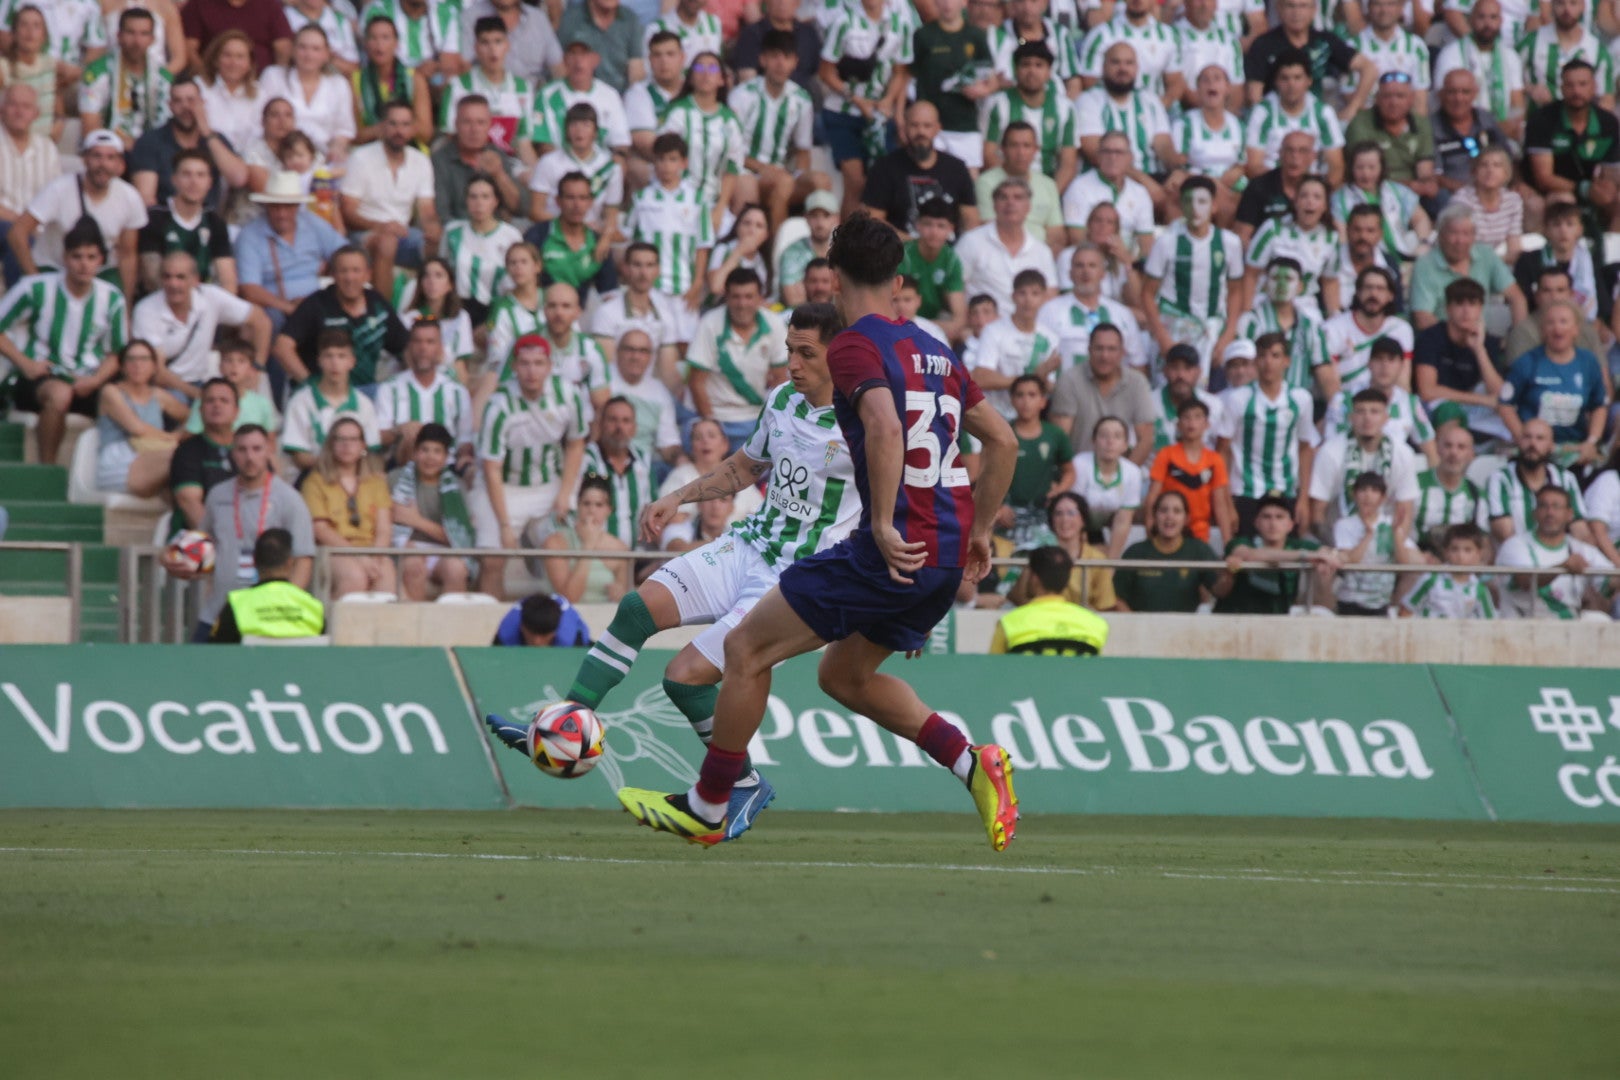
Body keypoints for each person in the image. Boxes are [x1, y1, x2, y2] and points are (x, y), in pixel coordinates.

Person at [611, 210, 1021, 851]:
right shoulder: (937, 351)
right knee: (844, 677)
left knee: (746, 651)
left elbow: (885, 428)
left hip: (888, 548)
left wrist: (883, 525)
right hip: (939, 555)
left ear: (832, 277)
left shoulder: (856, 343)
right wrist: (979, 532)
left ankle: (710, 804)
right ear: (897, 276)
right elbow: (1003, 440)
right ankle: (974, 762)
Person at [506, 305, 861, 834]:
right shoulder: (783, 400)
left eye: (806, 353)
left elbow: (897, 507)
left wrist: (904, 597)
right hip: (749, 545)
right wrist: (678, 497)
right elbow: (746, 466)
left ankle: (739, 783)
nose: (793, 363)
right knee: (636, 608)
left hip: (795, 579)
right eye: (789, 350)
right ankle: (563, 722)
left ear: (839, 354)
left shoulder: (865, 420)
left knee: (684, 680)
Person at [164, 424, 314, 642]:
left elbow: (303, 559)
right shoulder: (218, 495)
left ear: (269, 450)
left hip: (265, 619)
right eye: (242, 450)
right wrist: (172, 558)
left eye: (256, 449)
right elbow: (203, 545)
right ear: (233, 453)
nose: (249, 457)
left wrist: (285, 607)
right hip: (217, 612)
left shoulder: (289, 500)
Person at [0, 220, 125, 464]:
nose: (84, 264)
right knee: (60, 394)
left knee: (120, 396)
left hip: (86, 378)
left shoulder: (112, 298)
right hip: (39, 377)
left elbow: (116, 353)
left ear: (101, 260)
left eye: (91, 257)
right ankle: (48, 469)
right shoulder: (35, 289)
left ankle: (112, 471)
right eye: (77, 256)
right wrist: (25, 363)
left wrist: (96, 380)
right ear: (65, 257)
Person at [471, 334, 587, 596]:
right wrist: (504, 525)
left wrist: (565, 494)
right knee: (493, 560)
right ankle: (491, 628)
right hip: (504, 487)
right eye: (524, 363)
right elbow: (491, 468)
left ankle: (565, 621)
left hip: (548, 484)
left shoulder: (568, 395)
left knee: (559, 547)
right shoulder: (499, 405)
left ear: (549, 365)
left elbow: (576, 444)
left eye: (538, 363)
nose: (531, 371)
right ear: (514, 366)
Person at [9, 130, 145, 298]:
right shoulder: (58, 189)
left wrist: (127, 305)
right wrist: (35, 278)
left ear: (120, 165)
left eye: (111, 158)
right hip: (54, 268)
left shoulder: (130, 197)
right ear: (85, 159)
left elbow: (127, 254)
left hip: (99, 271)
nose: (103, 164)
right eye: (96, 156)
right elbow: (17, 233)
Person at [1217, 331, 1321, 534]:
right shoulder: (1238, 399)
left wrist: (1303, 500)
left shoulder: (1300, 399)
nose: (1268, 362)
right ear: (1255, 361)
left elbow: (1305, 448)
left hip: (1285, 491)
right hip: (1245, 492)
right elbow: (1222, 451)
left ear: (1287, 361)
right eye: (1262, 356)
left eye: (1275, 356)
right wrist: (1227, 503)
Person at [820, 0, 914, 220]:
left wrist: (888, 100)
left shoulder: (901, 24)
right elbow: (826, 71)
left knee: (880, 182)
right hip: (844, 111)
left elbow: (901, 71)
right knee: (854, 181)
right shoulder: (844, 22)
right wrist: (855, 98)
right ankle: (845, 244)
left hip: (879, 113)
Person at [1141, 176, 1243, 380]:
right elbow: (1147, 295)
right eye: (1188, 201)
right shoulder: (1166, 243)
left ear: (1214, 206)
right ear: (1181, 206)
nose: (1195, 208)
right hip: (1174, 324)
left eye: (1202, 202)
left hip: (1212, 327)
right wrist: (1162, 338)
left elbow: (1235, 291)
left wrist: (1228, 334)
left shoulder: (1229, 243)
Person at [275, 245, 410, 393]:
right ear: (333, 275)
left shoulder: (377, 304)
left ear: (368, 275)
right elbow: (282, 346)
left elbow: (405, 348)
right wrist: (310, 385)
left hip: (366, 393)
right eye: (343, 271)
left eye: (356, 270)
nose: (349, 278)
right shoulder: (316, 304)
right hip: (323, 395)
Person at [132, 252, 267, 397]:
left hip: (201, 381)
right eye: (167, 277)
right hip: (165, 386)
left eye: (180, 277)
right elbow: (156, 371)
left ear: (195, 280)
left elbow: (261, 321)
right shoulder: (146, 310)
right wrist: (199, 395)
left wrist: (257, 368)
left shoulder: (211, 297)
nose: (173, 283)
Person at [341, 99, 438, 299]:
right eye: (393, 124)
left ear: (412, 129)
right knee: (387, 242)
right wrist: (381, 226)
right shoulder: (361, 158)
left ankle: (431, 314)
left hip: (404, 233)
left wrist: (433, 228)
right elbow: (348, 210)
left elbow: (426, 210)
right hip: (364, 233)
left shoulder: (421, 161)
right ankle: (383, 313)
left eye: (405, 125)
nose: (399, 131)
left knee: (439, 242)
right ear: (383, 127)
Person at [233, 171, 345, 343]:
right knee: (270, 322)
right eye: (275, 207)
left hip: (318, 301)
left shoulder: (312, 223)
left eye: (288, 206)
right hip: (276, 307)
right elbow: (250, 289)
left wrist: (333, 271)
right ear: (266, 207)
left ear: (297, 206)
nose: (282, 213)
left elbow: (344, 253)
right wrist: (289, 308)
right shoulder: (250, 236)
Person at [685, 268, 787, 451]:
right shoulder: (710, 323)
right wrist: (712, 427)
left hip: (754, 418)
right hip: (712, 416)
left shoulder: (774, 324)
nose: (742, 304)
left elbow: (780, 380)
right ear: (727, 297)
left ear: (760, 298)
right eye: (736, 297)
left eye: (749, 296)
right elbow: (696, 383)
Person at [730, 28, 821, 231]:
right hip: (745, 171)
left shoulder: (801, 99)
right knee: (784, 182)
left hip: (780, 175)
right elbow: (730, 149)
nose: (780, 64)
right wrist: (763, 169)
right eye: (774, 57)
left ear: (795, 61)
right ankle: (778, 254)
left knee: (821, 182)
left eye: (787, 57)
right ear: (763, 60)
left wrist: (800, 174)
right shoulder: (742, 95)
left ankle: (818, 249)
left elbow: (803, 150)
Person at [625, 132, 712, 344]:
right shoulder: (641, 198)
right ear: (654, 163)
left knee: (685, 344)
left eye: (672, 159)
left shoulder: (697, 199)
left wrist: (697, 283)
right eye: (661, 159)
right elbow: (628, 238)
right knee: (651, 342)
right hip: (650, 288)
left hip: (683, 288)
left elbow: (703, 244)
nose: (666, 166)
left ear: (684, 163)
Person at [300, 415, 396, 599]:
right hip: (333, 550)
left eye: (353, 440)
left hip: (372, 548)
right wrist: (359, 557)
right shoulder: (315, 482)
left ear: (363, 446)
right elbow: (320, 530)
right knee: (355, 577)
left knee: (385, 576)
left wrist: (374, 559)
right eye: (341, 439)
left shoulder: (376, 482)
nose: (347, 445)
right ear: (331, 444)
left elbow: (384, 529)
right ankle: (336, 626)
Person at [1497, 300, 1607, 459]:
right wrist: (1525, 438)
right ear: (1543, 330)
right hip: (1535, 453)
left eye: (1563, 322)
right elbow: (1505, 404)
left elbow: (1599, 405)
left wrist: (1591, 442)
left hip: (1573, 449)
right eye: (1550, 322)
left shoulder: (1588, 362)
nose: (1557, 328)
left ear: (1576, 329)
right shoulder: (1527, 362)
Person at [1310, 387, 1422, 536]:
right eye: (1360, 411)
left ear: (1386, 418)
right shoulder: (1331, 451)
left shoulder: (1402, 453)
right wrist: (1336, 550)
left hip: (1387, 536)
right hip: (1340, 535)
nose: (1367, 418)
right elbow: (1318, 510)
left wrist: (1392, 546)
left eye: (1374, 412)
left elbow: (1405, 509)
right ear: (1351, 417)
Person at [1075, 42, 1171, 213]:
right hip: (1109, 177)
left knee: (1187, 193)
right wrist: (1144, 182)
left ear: (1137, 68)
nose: (1123, 69)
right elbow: (1096, 154)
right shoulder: (1088, 100)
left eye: (1129, 63)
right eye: (1116, 62)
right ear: (1103, 67)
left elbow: (1164, 146)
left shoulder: (1150, 100)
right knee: (1169, 204)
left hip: (1151, 175)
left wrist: (1177, 171)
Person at [1524, 60, 1620, 231]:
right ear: (1561, 88)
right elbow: (1543, 178)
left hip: (1591, 186)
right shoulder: (1543, 120)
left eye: (1583, 84)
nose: (1576, 91)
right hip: (1550, 190)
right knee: (1563, 202)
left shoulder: (1608, 123)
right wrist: (1584, 189)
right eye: (1570, 85)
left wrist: (1606, 190)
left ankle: (1610, 253)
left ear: (1594, 87)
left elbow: (1611, 173)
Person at [128, 75, 249, 211]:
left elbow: (239, 178)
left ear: (202, 103)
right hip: (165, 221)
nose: (185, 106)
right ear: (170, 106)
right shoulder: (150, 141)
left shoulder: (216, 139)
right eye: (178, 101)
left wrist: (207, 133)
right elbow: (146, 199)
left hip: (208, 220)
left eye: (191, 100)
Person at [859, 100, 977, 235]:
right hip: (900, 251)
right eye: (914, 125)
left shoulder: (957, 168)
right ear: (904, 127)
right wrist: (914, 247)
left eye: (927, 126)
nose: (921, 132)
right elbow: (873, 219)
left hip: (947, 252)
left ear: (938, 128)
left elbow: (970, 220)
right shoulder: (884, 167)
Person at [1244, 0, 1377, 119]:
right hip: (1276, 118)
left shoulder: (1324, 41)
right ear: (1279, 8)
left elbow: (1368, 68)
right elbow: (1254, 95)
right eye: (1290, 6)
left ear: (1314, 10)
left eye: (1303, 6)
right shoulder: (1263, 44)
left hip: (1316, 118)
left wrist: (1352, 108)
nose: (1296, 13)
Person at [1496, 484, 1613, 618]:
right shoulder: (1515, 545)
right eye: (1543, 506)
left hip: (1567, 627)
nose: (1550, 513)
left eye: (1556, 507)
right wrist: (1563, 567)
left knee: (1600, 620)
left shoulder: (1582, 550)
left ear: (1569, 515)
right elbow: (1525, 581)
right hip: (1524, 625)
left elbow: (1610, 580)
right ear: (1535, 513)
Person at [1413, 278, 1509, 441]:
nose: (1466, 311)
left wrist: (1479, 350)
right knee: (1449, 410)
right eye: (1459, 304)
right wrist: (1482, 400)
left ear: (1480, 309)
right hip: (1435, 406)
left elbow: (1500, 395)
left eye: (1472, 304)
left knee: (1510, 414)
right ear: (1448, 308)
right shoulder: (1431, 337)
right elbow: (1427, 391)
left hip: (1472, 406)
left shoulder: (1487, 341)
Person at [93, 338, 188, 495]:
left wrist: (181, 434)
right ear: (122, 366)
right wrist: (173, 438)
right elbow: (137, 428)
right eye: (131, 360)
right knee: (183, 459)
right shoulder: (110, 391)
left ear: (154, 367)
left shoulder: (158, 395)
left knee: (188, 476)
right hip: (119, 461)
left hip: (153, 454)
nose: (137, 365)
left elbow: (192, 419)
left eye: (144, 359)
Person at [390, 421, 474, 599]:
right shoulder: (395, 479)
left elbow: (459, 537)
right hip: (405, 548)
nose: (430, 457)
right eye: (424, 450)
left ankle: (452, 626)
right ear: (415, 453)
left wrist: (415, 521)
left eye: (437, 451)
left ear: (446, 457)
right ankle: (413, 624)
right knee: (413, 563)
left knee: (456, 568)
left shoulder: (456, 487)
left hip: (442, 550)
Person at [1410, 204, 1526, 331]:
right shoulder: (1425, 266)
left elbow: (1517, 298)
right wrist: (1461, 336)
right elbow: (1422, 318)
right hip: (1441, 339)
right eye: (1453, 233)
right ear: (1440, 236)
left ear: (1474, 236)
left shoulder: (1486, 254)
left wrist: (1518, 336)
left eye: (1466, 233)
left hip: (1482, 335)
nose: (1460, 240)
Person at [1216, 494, 1338, 615]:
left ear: (1290, 525)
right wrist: (1306, 555)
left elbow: (1335, 555)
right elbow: (1247, 554)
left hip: (1279, 621)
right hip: (1236, 619)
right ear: (1256, 522)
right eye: (1266, 517)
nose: (1273, 523)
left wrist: (1328, 556)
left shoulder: (1297, 545)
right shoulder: (1241, 542)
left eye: (1279, 517)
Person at [376, 318, 474, 466]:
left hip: (447, 467)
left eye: (430, 342)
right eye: (417, 341)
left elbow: (465, 439)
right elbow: (378, 438)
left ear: (440, 347)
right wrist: (399, 430)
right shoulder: (390, 388)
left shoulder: (457, 391)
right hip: (403, 465)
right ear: (409, 346)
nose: (423, 348)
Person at [983, 43, 1076, 198]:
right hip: (1005, 190)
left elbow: (1068, 163)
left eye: (1039, 65)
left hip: (1047, 190)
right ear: (1016, 69)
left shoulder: (1065, 108)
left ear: (1049, 72)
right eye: (1025, 65)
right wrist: (1013, 193)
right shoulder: (998, 104)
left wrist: (1049, 196)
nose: (1032, 71)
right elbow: (989, 155)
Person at [1235, 257, 1336, 399]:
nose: (1281, 284)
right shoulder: (1250, 322)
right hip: (1256, 404)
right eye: (1275, 278)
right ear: (1264, 284)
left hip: (1298, 408)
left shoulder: (1311, 327)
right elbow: (1241, 369)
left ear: (1301, 287)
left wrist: (1337, 409)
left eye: (1288, 279)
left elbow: (1325, 373)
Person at [441, 15, 536, 165]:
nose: (492, 50)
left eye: (498, 41)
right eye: (485, 42)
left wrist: (534, 177)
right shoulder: (458, 86)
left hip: (510, 166)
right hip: (469, 163)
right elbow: (449, 136)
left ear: (507, 45)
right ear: (476, 48)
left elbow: (524, 142)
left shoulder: (523, 88)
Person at [281, 329, 382, 470]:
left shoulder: (364, 404)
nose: (335, 363)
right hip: (313, 478)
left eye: (341, 356)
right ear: (320, 361)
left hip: (356, 479)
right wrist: (339, 465)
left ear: (352, 362)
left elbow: (370, 451)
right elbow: (299, 457)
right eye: (328, 356)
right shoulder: (300, 402)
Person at [1324, 337, 1438, 462]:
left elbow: (1430, 449)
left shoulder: (1410, 403)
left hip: (1395, 473)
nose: (1385, 366)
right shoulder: (1343, 401)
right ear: (1369, 364)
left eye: (1391, 359)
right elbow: (1332, 445)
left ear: (1401, 366)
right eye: (1379, 359)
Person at [1243, 49, 1346, 188]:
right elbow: (1253, 166)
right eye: (1285, 78)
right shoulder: (1262, 112)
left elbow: (1336, 166)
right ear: (1276, 82)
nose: (1291, 85)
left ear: (1309, 81)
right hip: (1271, 188)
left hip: (1312, 188)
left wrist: (1320, 192)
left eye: (1297, 78)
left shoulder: (1323, 113)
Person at [954, 179, 1057, 317]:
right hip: (982, 329)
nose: (1010, 203)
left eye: (1018, 197)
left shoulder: (1041, 251)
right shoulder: (971, 241)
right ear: (994, 205)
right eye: (1003, 197)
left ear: (1028, 207)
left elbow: (1049, 295)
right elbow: (955, 288)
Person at [1048, 323, 1153, 458]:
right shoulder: (1069, 380)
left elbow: (1146, 439)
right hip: (1078, 472)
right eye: (1099, 348)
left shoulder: (1137, 382)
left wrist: (1126, 474)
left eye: (1111, 349)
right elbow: (1061, 439)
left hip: (1122, 470)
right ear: (1089, 350)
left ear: (1122, 352)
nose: (1104, 356)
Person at [137, 150, 236, 293]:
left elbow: (227, 278)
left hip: (204, 301)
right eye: (186, 174)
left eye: (200, 175)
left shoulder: (214, 221)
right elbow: (152, 277)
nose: (194, 182)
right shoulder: (155, 217)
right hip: (162, 300)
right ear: (174, 179)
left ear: (210, 182)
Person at [1113, 490, 1229, 612]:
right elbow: (1117, 597)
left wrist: (1229, 573)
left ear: (1186, 519)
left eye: (1177, 511)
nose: (1169, 516)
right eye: (1163, 510)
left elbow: (1220, 591)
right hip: (1142, 629)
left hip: (1185, 629)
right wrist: (1136, 626)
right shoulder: (1135, 552)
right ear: (1154, 516)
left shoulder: (1198, 549)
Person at [1243, 174, 1339, 322]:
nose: (1309, 202)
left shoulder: (1330, 238)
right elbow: (1251, 273)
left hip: (1305, 304)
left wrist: (1334, 317)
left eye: (1317, 197)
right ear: (1295, 201)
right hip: (1268, 300)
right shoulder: (1272, 228)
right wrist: (1246, 311)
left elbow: (1330, 281)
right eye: (1304, 196)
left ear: (1325, 205)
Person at [1039, 243, 1145, 376]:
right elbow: (1041, 362)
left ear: (1103, 274)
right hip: (1066, 394)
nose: (1086, 272)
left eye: (1092, 266)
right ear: (1070, 274)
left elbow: (1138, 364)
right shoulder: (1050, 311)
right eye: (1079, 265)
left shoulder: (1122, 314)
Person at [966, 268, 1058, 419]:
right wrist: (1033, 377)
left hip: (1031, 421)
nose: (1028, 300)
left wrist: (1043, 380)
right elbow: (980, 377)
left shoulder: (1051, 338)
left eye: (1035, 293)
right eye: (1022, 293)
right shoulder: (993, 330)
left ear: (1044, 297)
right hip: (995, 415)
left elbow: (1049, 387)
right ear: (1013, 296)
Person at [994, 374, 1074, 546]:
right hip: (1007, 515)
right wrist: (998, 507)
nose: (1026, 401)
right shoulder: (1001, 434)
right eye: (1020, 395)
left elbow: (1069, 470)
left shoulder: (1055, 434)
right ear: (1012, 400)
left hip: (1044, 515)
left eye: (1032, 395)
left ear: (1043, 401)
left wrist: (1059, 490)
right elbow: (987, 474)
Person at [1161, 63, 1246, 224]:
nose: (1211, 84)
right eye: (1205, 80)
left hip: (1230, 183)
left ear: (1227, 88)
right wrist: (1211, 182)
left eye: (1217, 79)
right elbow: (1179, 165)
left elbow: (1240, 165)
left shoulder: (1238, 125)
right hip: (1194, 180)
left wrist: (1219, 184)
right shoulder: (1184, 123)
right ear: (1197, 89)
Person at [208, 527, 326, 642]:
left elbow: (216, 653)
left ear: (254, 561)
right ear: (290, 562)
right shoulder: (314, 607)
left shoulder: (237, 604)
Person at [1146, 397, 1236, 546]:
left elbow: (1220, 504)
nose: (1191, 423)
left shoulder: (1215, 460)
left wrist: (1227, 543)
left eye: (1197, 417)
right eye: (1186, 417)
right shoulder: (1166, 455)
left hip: (1200, 531)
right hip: (1169, 527)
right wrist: (1150, 530)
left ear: (1207, 424)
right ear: (1178, 424)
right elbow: (1153, 496)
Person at [988, 545, 1109, 655]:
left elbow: (992, 672)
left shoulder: (1009, 624)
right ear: (1066, 580)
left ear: (1034, 579)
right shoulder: (1096, 625)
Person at [79, 8, 171, 152]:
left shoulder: (163, 77)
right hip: (108, 151)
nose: (137, 41)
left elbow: (167, 127)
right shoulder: (97, 73)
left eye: (144, 34)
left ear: (153, 39)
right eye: (130, 33)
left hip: (152, 155)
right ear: (119, 35)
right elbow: (90, 128)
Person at [1432, 0, 1525, 141]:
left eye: (1493, 17)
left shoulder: (1511, 57)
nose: (1487, 24)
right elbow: (1444, 100)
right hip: (1461, 133)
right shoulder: (1451, 53)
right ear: (1470, 20)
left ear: (1501, 21)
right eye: (1481, 17)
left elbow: (1517, 106)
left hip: (1503, 134)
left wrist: (1500, 129)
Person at [1332, 470, 1421, 615]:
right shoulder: (1344, 525)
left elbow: (1404, 563)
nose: (1368, 496)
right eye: (1363, 490)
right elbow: (1351, 561)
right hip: (1350, 599)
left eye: (1374, 491)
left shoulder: (1390, 525)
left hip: (1381, 602)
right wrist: (1368, 535)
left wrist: (1397, 534)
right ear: (1354, 494)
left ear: (1383, 498)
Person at [529, 102, 622, 236]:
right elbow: (536, 211)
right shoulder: (549, 162)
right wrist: (576, 225)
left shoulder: (610, 167)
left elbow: (611, 216)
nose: (579, 131)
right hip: (554, 232)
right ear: (566, 130)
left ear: (595, 132)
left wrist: (604, 236)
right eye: (574, 125)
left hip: (592, 235)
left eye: (586, 125)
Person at [588, 241, 679, 376]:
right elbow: (606, 368)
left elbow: (668, 371)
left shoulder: (666, 316)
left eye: (650, 265)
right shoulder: (606, 312)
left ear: (658, 270)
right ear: (625, 268)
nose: (643, 273)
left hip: (651, 389)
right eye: (637, 265)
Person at [1342, 72, 1438, 199]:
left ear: (1411, 99)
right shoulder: (1360, 124)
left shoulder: (1421, 123)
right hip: (1371, 189)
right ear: (1377, 99)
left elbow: (1424, 168)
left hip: (1413, 191)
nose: (1394, 102)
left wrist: (1427, 183)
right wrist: (1409, 185)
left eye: (1400, 96)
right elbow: (1364, 175)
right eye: (1387, 96)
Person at [1062, 129, 1155, 258]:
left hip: (1127, 261)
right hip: (1090, 261)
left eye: (1119, 152)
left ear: (1130, 158)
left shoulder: (1140, 193)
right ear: (1098, 156)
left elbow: (1147, 245)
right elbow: (1077, 238)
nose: (1113, 157)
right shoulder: (1079, 187)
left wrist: (1127, 260)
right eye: (1107, 152)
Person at [0, 83, 59, 284]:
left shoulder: (47, 148)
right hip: (7, 228)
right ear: (2, 109)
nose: (19, 112)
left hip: (39, 231)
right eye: (13, 105)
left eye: (26, 107)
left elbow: (56, 197)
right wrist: (23, 224)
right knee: (15, 235)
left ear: (36, 113)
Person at [534, 39, 631, 159]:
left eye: (584, 54)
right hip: (560, 166)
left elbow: (620, 143)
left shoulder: (610, 95)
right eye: (573, 54)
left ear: (595, 60)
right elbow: (544, 144)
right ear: (564, 60)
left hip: (600, 168)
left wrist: (616, 166)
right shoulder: (547, 94)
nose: (578, 61)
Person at [540, 474, 629, 603]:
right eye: (586, 503)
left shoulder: (620, 549)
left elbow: (624, 598)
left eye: (599, 505)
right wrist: (588, 545)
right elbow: (569, 598)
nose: (591, 510)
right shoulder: (555, 542)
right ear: (578, 506)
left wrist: (620, 594)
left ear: (609, 510)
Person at [1077, 0, 1184, 107]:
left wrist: (1156, 110)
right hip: (1109, 112)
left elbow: (1175, 83)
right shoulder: (1100, 35)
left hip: (1154, 113)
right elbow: (1089, 81)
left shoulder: (1168, 36)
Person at [580, 395, 653, 547]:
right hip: (595, 555)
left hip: (639, 557)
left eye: (626, 421)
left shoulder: (644, 460)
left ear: (634, 428)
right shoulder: (585, 460)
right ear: (600, 424)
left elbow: (654, 507)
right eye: (612, 420)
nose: (619, 427)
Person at [1324, 267, 1413, 390]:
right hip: (1348, 402)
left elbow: (1403, 382)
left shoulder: (1400, 329)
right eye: (1368, 287)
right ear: (1358, 292)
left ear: (1391, 296)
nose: (1373, 294)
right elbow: (1331, 386)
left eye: (1380, 289)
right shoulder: (1333, 328)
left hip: (1386, 402)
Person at [1513, 204, 1598, 329]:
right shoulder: (1528, 261)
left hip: (1582, 325)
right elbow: (1523, 302)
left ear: (1580, 230)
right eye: (1556, 224)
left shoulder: (1590, 261)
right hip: (1538, 324)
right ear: (1546, 230)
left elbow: (1601, 298)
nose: (1563, 230)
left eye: (1569, 224)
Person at [1069, 415, 1143, 559]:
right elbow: (1075, 511)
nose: (1110, 442)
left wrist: (1111, 561)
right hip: (1081, 525)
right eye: (1103, 436)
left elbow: (1123, 520)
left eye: (1117, 436)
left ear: (1125, 444)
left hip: (1108, 526)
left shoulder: (1133, 472)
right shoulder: (1079, 463)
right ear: (1094, 441)